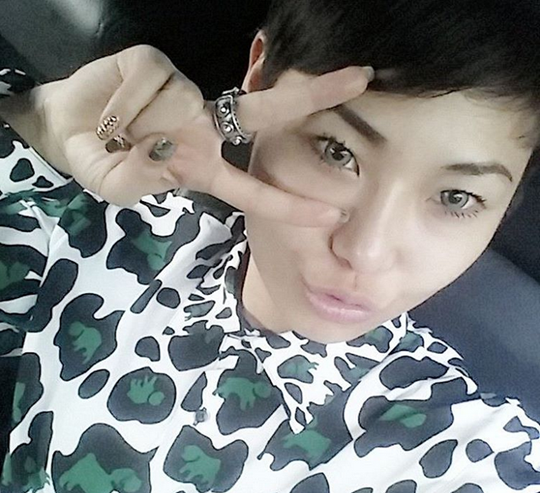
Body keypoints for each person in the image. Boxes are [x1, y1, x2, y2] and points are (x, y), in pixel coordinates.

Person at [1, 0, 540, 491]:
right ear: (259, 80)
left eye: (455, 197)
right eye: (337, 152)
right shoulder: (107, 230)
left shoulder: (464, 450)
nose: (365, 251)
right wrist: (36, 122)